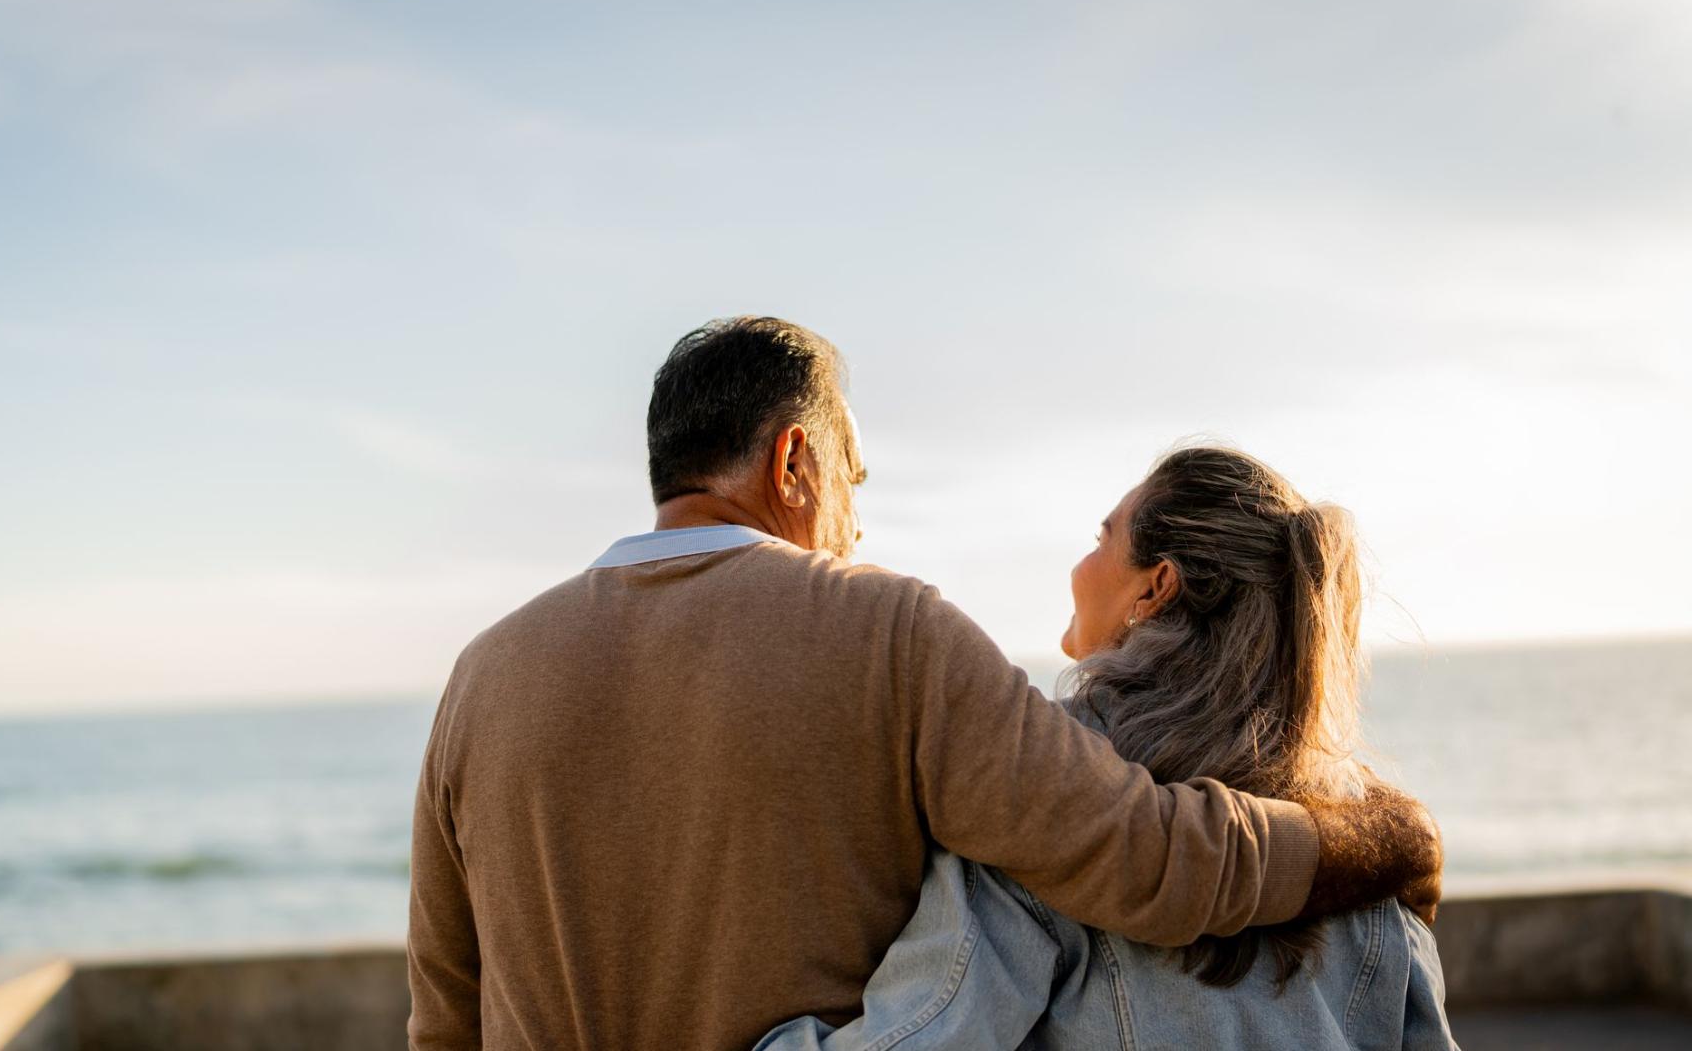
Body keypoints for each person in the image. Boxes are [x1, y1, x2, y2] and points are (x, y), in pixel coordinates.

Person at [406, 318, 1442, 1050]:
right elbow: (1142, 858)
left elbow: (446, 1015)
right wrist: (1380, 842)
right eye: (853, 481)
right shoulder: (886, 629)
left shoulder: (481, 678)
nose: (856, 521)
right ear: (795, 462)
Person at [756, 446, 1457, 1050]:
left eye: (1102, 537)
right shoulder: (1365, 828)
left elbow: (928, 1030)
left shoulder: (1060, 780)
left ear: (1156, 588)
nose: (1079, 564)